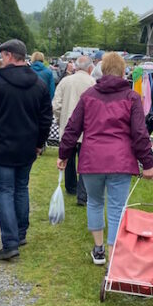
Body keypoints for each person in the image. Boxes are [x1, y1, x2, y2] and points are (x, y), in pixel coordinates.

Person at [57, 52, 153, 266]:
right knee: (116, 207)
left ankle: (100, 249)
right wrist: (148, 163)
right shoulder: (131, 98)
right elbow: (140, 133)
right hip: (120, 161)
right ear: (123, 72)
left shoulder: (89, 95)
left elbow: (72, 128)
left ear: (101, 71)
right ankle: (113, 254)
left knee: (94, 202)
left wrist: (64, 154)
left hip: (92, 159)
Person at [0, 39, 52, 261]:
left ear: (9, 56)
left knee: (5, 191)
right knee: (20, 188)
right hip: (26, 145)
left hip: (2, 145)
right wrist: (39, 142)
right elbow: (45, 118)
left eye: (1, 56)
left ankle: (10, 242)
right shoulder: (39, 83)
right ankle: (19, 233)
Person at [52, 54, 95, 205]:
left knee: (68, 159)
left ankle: (71, 187)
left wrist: (60, 119)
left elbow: (56, 105)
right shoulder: (93, 83)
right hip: (87, 128)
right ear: (90, 68)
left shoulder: (65, 81)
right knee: (84, 161)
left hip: (68, 126)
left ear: (76, 67)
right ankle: (82, 193)